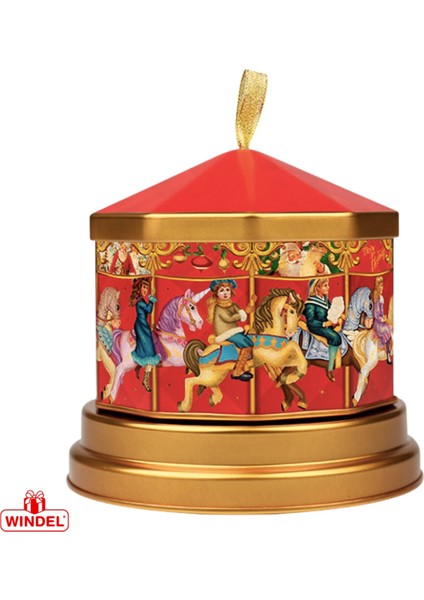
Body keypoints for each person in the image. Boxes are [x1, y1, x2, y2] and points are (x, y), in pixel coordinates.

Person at [207, 279, 256, 381]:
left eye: (227, 290)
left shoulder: (233, 305)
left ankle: (245, 364)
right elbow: (229, 318)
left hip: (234, 329)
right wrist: (245, 312)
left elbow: (242, 316)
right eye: (222, 290)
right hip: (226, 332)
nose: (225, 293)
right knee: (247, 343)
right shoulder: (218, 308)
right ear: (217, 293)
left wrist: (250, 306)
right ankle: (237, 371)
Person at [304, 278, 341, 382]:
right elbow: (310, 321)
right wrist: (324, 324)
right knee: (335, 337)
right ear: (317, 288)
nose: (328, 287)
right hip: (316, 326)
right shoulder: (310, 303)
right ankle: (330, 368)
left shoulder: (325, 300)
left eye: (328, 285)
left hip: (326, 325)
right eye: (325, 285)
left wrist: (338, 317)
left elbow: (331, 311)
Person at [130, 276, 160, 392]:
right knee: (149, 351)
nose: (145, 290)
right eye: (144, 287)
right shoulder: (139, 301)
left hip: (144, 325)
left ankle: (146, 379)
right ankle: (145, 378)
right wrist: (151, 299)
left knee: (151, 351)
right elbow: (149, 310)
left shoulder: (141, 300)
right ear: (139, 288)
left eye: (147, 288)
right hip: (141, 326)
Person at [372, 276, 393, 364]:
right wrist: (382, 319)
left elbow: (381, 312)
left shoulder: (381, 298)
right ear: (378, 286)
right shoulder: (377, 298)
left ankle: (389, 350)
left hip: (381, 320)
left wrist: (384, 317)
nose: (382, 288)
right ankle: (388, 354)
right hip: (378, 323)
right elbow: (376, 314)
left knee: (391, 327)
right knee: (387, 330)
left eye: (382, 285)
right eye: (381, 286)